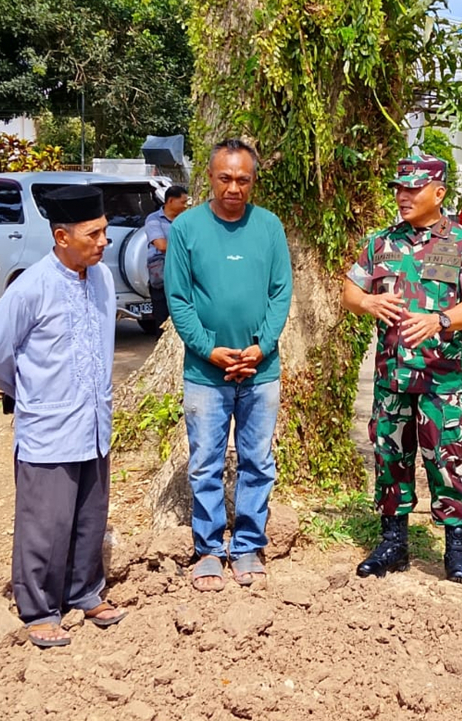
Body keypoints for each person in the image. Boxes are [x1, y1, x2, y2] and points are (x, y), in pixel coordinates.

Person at [0, 185, 127, 648]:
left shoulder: (102, 279)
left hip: (95, 422)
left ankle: (85, 591)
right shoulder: (29, 289)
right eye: (94, 234)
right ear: (61, 237)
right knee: (44, 522)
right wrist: (28, 396)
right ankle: (40, 608)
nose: (104, 242)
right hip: (49, 426)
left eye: (105, 231)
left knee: (89, 516)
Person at [343, 153, 462, 585]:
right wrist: (368, 302)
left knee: (446, 461)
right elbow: (349, 292)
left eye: (413, 189)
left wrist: (440, 320)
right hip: (392, 379)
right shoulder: (381, 243)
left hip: (440, 380)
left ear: (439, 193)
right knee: (391, 458)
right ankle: (393, 543)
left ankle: (456, 550)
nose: (403, 196)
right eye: (399, 188)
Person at [165, 138, 292, 592]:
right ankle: (208, 551)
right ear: (211, 178)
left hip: (261, 370)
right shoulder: (187, 229)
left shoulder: (270, 227)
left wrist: (262, 346)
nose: (233, 187)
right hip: (206, 372)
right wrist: (207, 348)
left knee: (258, 461)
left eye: (243, 179)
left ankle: (247, 547)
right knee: (205, 464)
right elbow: (178, 299)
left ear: (253, 181)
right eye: (225, 178)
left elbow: (280, 293)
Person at [142, 184, 190, 334]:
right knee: (162, 320)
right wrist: (185, 248)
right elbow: (161, 245)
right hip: (161, 277)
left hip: (182, 275)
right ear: (170, 201)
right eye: (182, 202)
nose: (185, 206)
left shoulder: (186, 220)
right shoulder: (153, 219)